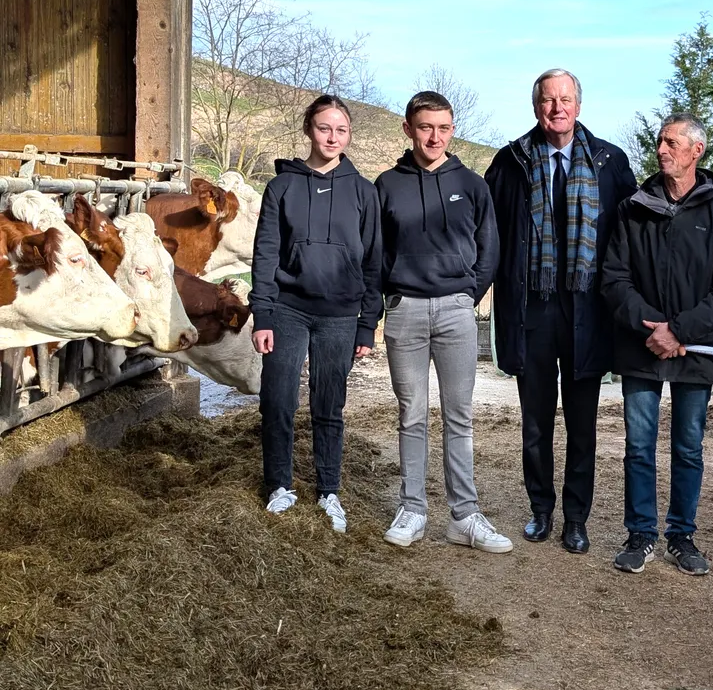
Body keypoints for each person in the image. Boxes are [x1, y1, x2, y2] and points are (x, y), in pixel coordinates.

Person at [485, 68, 637, 554]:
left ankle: (576, 517)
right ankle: (540, 510)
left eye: (565, 99)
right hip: (531, 308)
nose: (557, 108)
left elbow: (631, 237)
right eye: (548, 100)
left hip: (587, 310)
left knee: (582, 422)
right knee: (535, 422)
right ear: (536, 107)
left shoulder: (610, 161)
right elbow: (487, 236)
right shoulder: (509, 162)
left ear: (579, 104)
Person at [602, 113, 713, 575]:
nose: (661, 150)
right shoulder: (633, 208)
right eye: (659, 142)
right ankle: (640, 534)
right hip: (640, 347)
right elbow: (614, 278)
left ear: (695, 151)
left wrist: (680, 331)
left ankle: (681, 535)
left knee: (688, 447)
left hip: (696, 351)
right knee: (639, 446)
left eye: (671, 143)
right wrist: (652, 329)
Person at [374, 91, 511, 554]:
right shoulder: (387, 185)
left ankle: (465, 517)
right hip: (405, 310)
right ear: (408, 129)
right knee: (411, 414)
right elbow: (376, 252)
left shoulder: (472, 184)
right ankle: (412, 509)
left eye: (444, 128)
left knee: (460, 416)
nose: (435, 136)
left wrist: (466, 294)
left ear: (452, 130)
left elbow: (489, 248)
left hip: (456, 310)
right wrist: (386, 301)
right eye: (426, 127)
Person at [250, 94, 382, 533]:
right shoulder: (282, 187)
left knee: (330, 404)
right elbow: (265, 253)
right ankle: (279, 486)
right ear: (309, 130)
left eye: (340, 130)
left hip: (341, 315)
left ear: (349, 135)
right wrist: (263, 315)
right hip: (288, 309)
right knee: (278, 399)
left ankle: (328, 489)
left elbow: (373, 263)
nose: (332, 137)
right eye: (324, 128)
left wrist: (367, 321)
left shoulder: (364, 191)